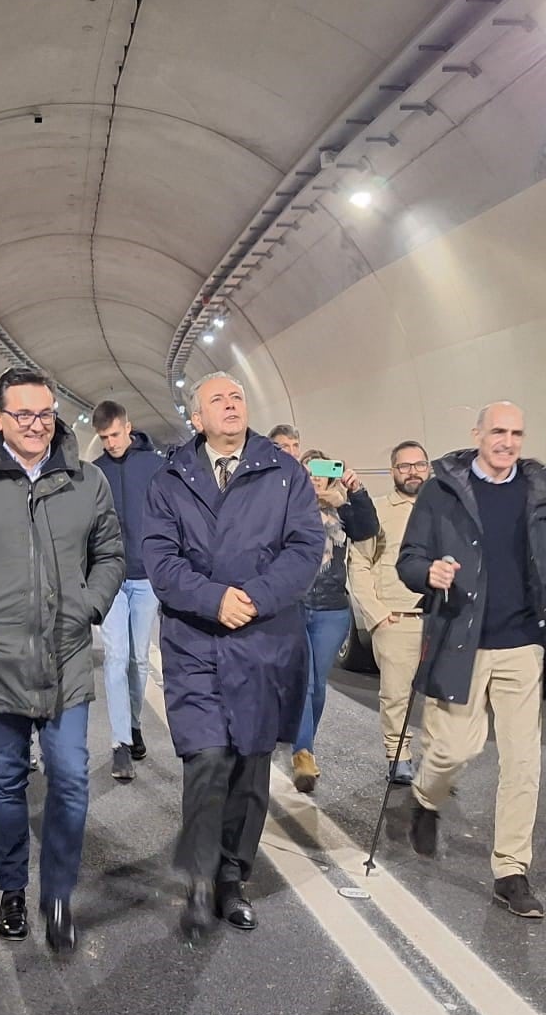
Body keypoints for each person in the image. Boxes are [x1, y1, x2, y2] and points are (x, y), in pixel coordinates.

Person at [0, 370, 124, 951]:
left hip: (66, 655)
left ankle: (59, 892)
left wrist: (89, 605)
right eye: (24, 415)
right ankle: (12, 890)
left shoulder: (86, 482)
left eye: (46, 415)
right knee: (5, 780)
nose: (37, 425)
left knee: (69, 779)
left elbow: (110, 553)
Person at [396, 402, 546, 920]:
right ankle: (425, 798)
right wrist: (431, 574)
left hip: (523, 643)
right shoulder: (442, 489)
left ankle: (511, 869)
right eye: (498, 431)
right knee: (455, 749)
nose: (508, 441)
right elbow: (409, 560)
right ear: (477, 434)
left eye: (516, 433)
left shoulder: (542, 493)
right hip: (462, 640)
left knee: (522, 762)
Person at [144, 373, 323, 939]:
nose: (230, 404)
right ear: (195, 418)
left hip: (263, 637)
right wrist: (213, 598)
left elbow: (306, 547)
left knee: (248, 763)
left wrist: (256, 597)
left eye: (238, 396)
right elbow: (161, 559)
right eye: (217, 399)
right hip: (196, 636)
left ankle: (232, 877)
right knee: (207, 758)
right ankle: (198, 878)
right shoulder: (170, 478)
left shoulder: (284, 471)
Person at [288, 449, 379, 793]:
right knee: (305, 681)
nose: (315, 478)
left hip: (332, 611)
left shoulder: (341, 508)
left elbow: (368, 528)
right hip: (295, 608)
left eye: (322, 471)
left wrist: (354, 492)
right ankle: (303, 754)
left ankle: (304, 742)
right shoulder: (289, 505)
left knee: (319, 687)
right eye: (308, 471)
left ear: (331, 474)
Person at [346, 441, 432, 783]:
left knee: (445, 697)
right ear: (393, 472)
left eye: (419, 465)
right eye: (404, 466)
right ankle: (400, 755)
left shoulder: (445, 511)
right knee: (397, 695)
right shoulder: (377, 511)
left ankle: (438, 760)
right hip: (398, 618)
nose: (413, 471)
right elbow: (359, 563)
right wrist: (377, 615)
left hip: (441, 619)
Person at [90, 400, 167, 781]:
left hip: (146, 577)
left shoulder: (155, 466)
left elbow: (171, 517)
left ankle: (134, 724)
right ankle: (120, 742)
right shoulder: (95, 473)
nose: (110, 443)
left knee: (138, 659)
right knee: (117, 656)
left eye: (115, 435)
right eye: (104, 438)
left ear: (128, 427)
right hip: (110, 579)